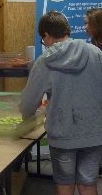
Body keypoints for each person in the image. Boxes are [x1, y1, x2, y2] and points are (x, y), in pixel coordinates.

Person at [19, 11, 102, 195]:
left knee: (65, 185)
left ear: (47, 35)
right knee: (88, 183)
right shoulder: (95, 52)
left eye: (44, 39)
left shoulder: (43, 63)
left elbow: (27, 104)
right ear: (67, 31)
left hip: (63, 135)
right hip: (94, 133)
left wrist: (28, 117)